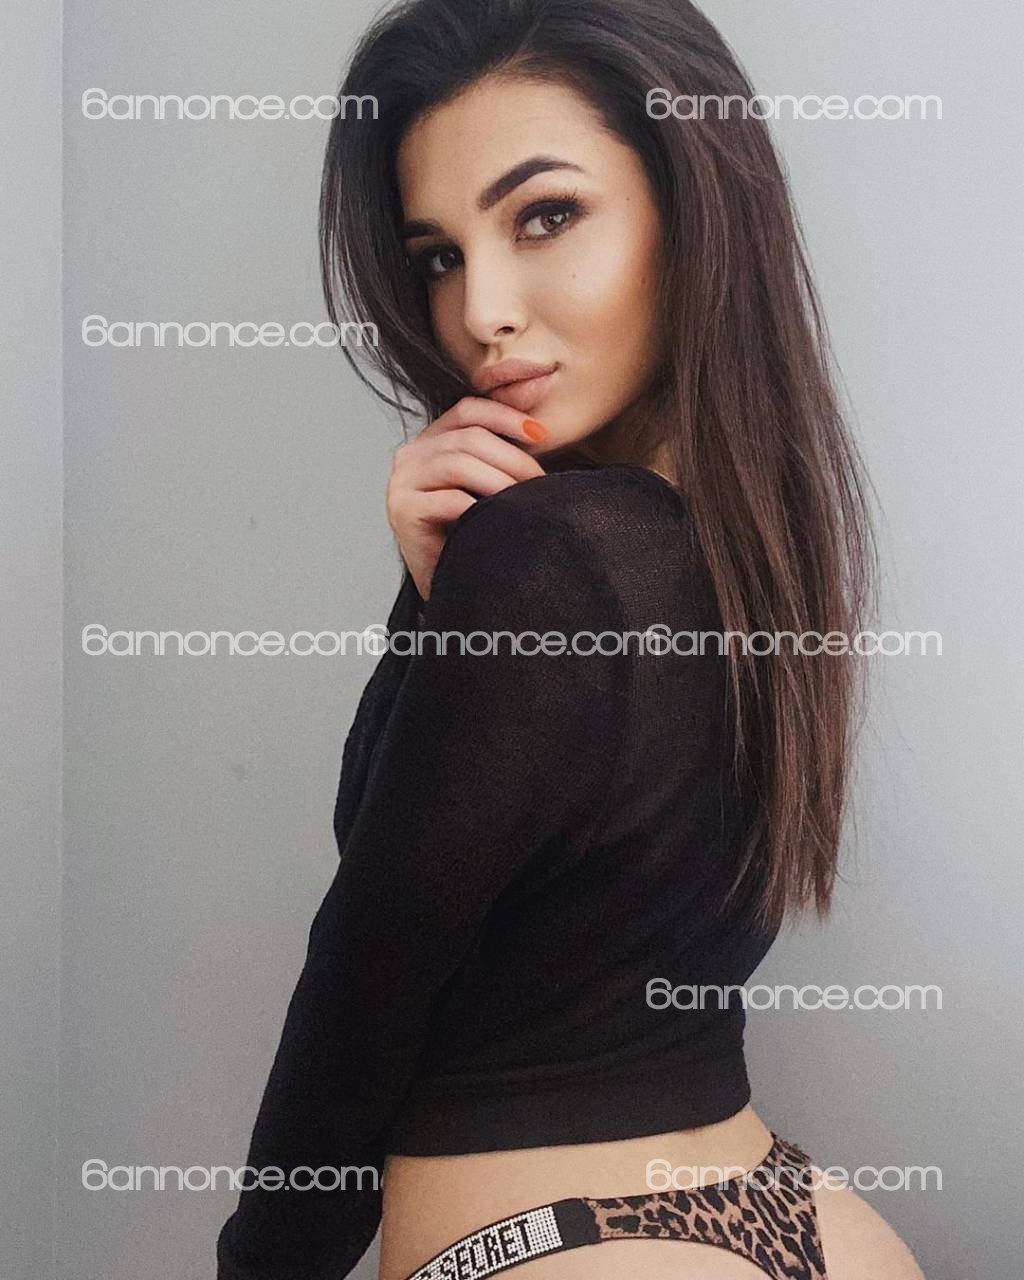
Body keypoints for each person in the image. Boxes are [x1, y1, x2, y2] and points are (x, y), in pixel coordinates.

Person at [216, 1, 926, 1276]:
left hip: (556, 1238)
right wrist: (434, 601)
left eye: (544, 215)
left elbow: (367, 972)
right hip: (790, 1211)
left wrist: (261, 1265)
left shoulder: (550, 552)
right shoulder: (755, 547)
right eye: (440, 255)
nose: (481, 311)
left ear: (692, 204)